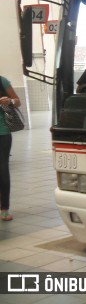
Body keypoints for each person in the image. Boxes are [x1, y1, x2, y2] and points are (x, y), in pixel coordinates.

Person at [0, 75, 21, 221]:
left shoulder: (2, 81)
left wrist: (10, 101)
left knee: (2, 169)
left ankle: (4, 208)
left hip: (3, 133)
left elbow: (17, 102)